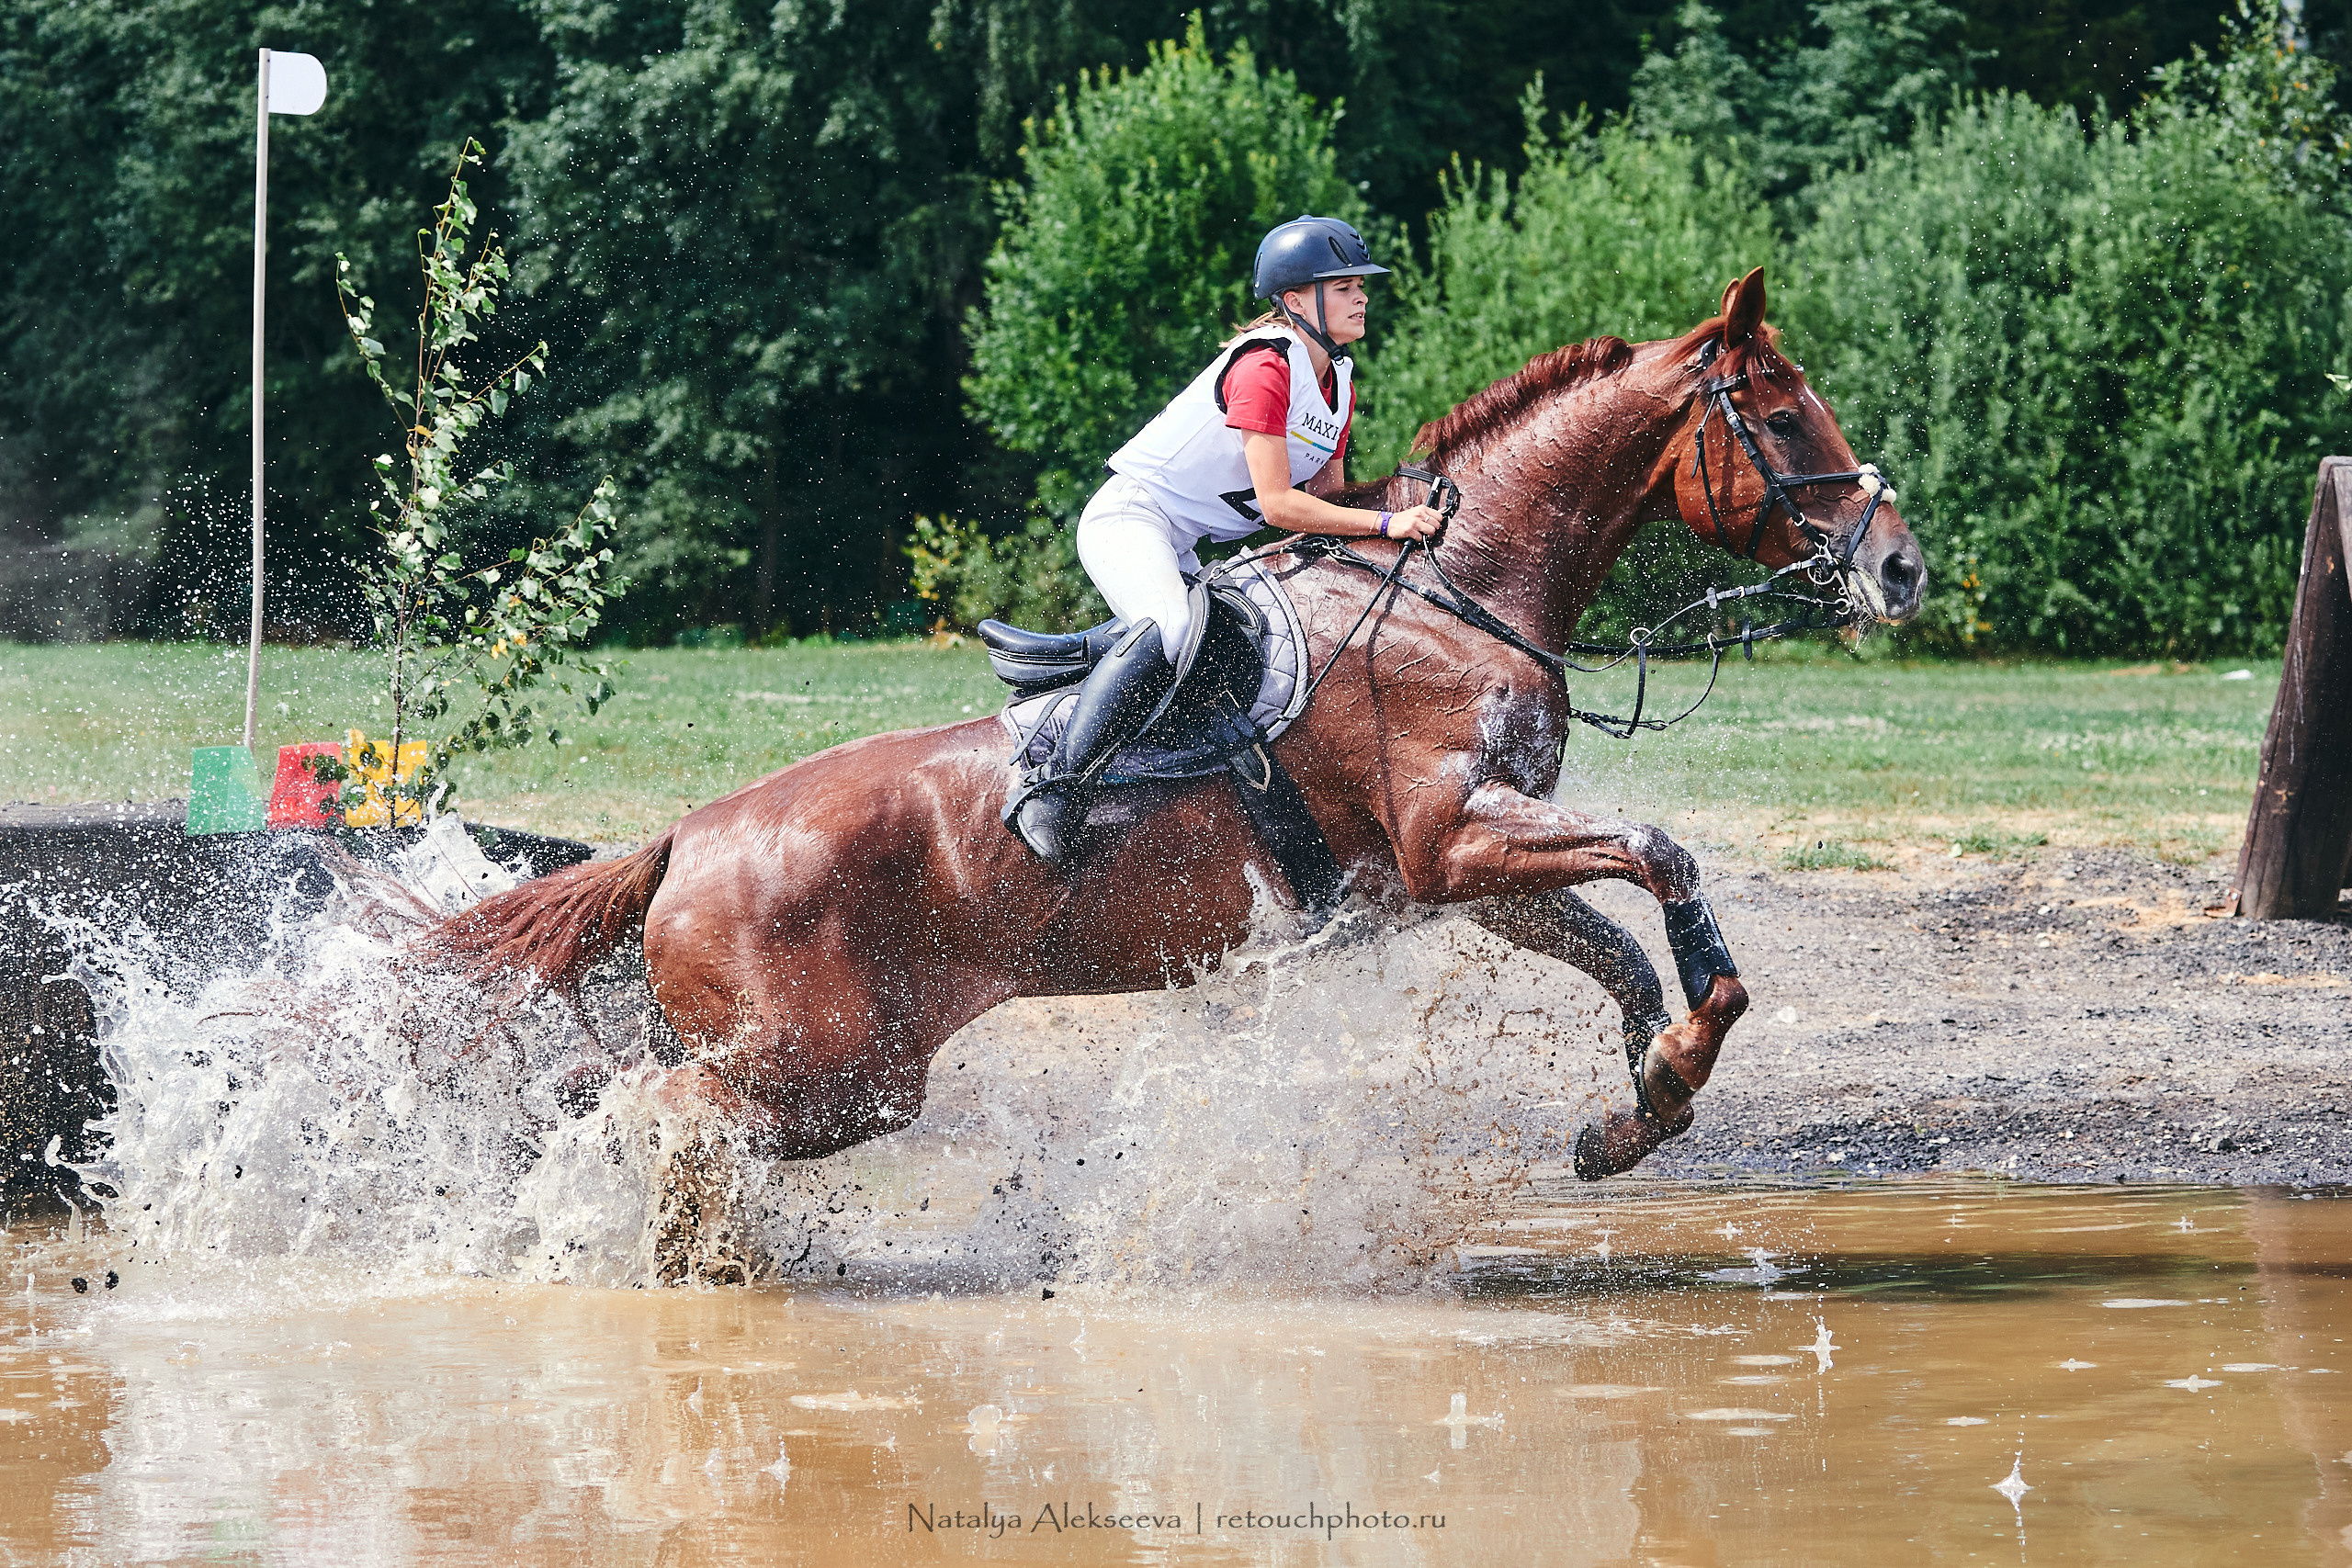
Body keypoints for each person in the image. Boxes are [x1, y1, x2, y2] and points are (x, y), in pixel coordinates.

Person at [1004, 214, 1445, 861]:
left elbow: (1326, 500)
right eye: (1344, 284)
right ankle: (1054, 788)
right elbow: (1278, 503)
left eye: (1361, 285)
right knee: (1176, 632)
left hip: (1183, 543)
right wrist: (1386, 523)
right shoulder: (1266, 365)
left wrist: (1404, 509)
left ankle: (1090, 657)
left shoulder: (1338, 382)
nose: (1362, 296)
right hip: (1131, 519)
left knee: (1234, 655)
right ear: (1297, 300)